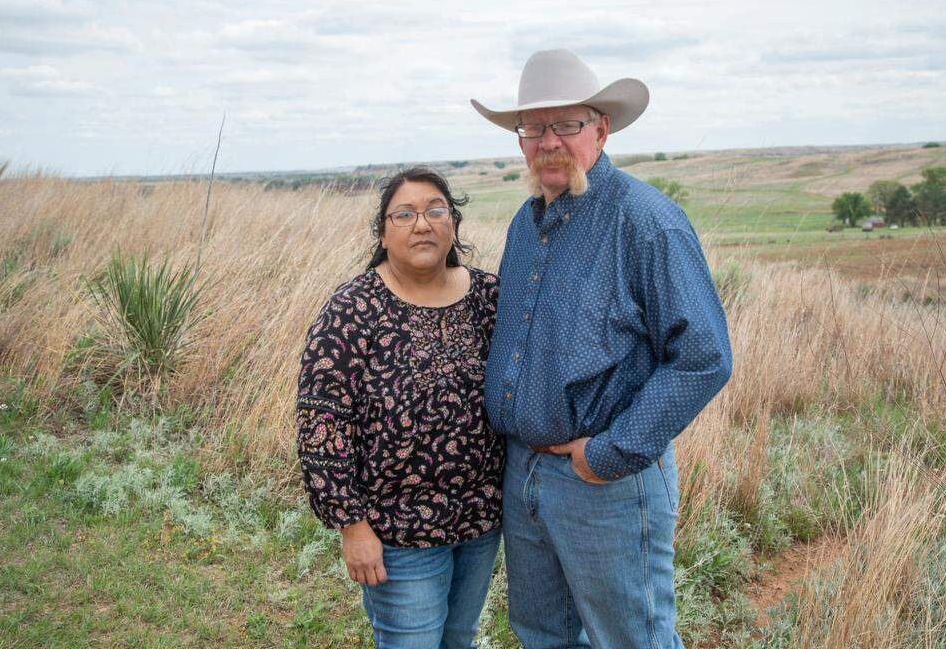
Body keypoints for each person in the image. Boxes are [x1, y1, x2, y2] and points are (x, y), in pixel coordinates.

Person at [470, 49, 732, 647]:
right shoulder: (525, 222)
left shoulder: (646, 222)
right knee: (542, 634)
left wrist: (612, 452)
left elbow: (704, 355)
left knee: (630, 638)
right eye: (533, 128)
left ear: (601, 129)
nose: (548, 142)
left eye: (567, 125)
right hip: (525, 472)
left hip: (604, 484)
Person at [296, 167, 503, 648]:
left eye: (435, 210)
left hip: (479, 520)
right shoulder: (352, 310)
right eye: (404, 214)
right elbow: (321, 425)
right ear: (383, 232)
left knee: (459, 640)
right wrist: (352, 526)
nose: (422, 224)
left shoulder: (489, 298)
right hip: (397, 530)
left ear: (453, 223)